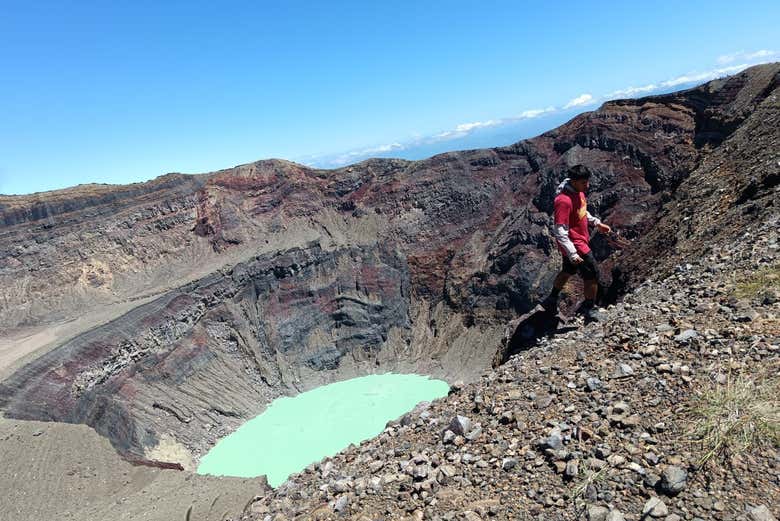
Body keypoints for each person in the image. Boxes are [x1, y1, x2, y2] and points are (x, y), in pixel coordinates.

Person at [542, 165, 611, 322]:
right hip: (576, 244)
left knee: (567, 271)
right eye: (583, 182)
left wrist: (596, 223)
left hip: (576, 242)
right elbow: (560, 230)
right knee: (593, 274)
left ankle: (551, 298)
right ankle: (589, 309)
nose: (587, 186)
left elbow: (582, 211)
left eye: (587, 182)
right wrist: (572, 253)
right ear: (573, 181)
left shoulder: (578, 192)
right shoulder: (563, 201)